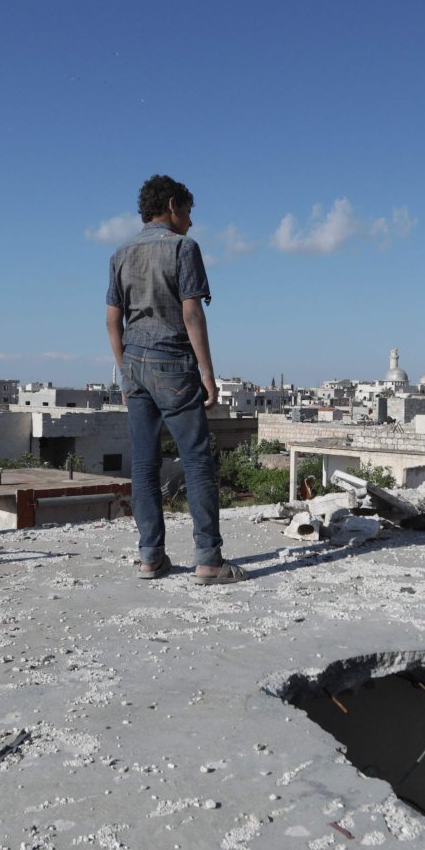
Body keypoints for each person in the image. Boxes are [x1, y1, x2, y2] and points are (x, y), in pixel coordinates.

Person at [105, 174, 247, 584]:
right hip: (173, 362)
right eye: (188, 211)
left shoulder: (120, 253)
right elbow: (191, 314)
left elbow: (113, 320)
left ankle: (151, 557)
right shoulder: (184, 248)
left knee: (144, 464)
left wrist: (125, 367)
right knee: (198, 461)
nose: (191, 222)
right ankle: (208, 560)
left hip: (134, 364)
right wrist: (207, 373)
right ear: (171, 205)